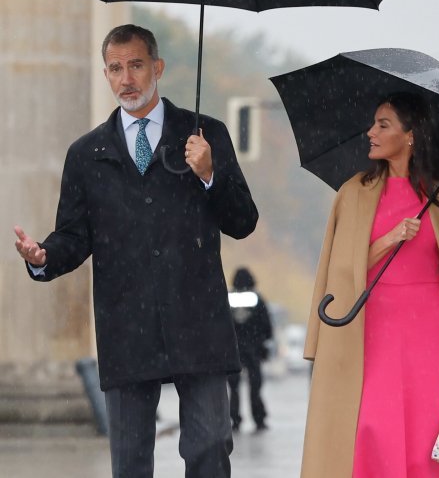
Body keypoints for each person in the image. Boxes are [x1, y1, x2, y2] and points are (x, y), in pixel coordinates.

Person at [13, 24, 258, 478]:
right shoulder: (86, 154)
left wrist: (210, 175)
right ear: (106, 74)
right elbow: (74, 236)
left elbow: (243, 222)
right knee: (129, 464)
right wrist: (44, 257)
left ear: (158, 68)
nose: (127, 78)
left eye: (137, 65)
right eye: (116, 67)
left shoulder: (205, 137)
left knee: (209, 448)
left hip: (198, 321)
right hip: (125, 324)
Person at [300, 92, 439, 478]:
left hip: (433, 336)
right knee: (370, 429)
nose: (371, 132)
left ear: (411, 135)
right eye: (373, 123)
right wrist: (390, 239)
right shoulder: (352, 194)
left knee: (427, 440)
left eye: (383, 124)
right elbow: (342, 271)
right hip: (371, 330)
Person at [227, 266, 273, 432]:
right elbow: (266, 324)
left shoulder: (229, 298)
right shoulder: (256, 298)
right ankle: (258, 418)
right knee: (255, 387)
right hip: (253, 348)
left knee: (234, 388)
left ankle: (235, 419)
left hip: (234, 349)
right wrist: (263, 340)